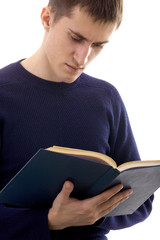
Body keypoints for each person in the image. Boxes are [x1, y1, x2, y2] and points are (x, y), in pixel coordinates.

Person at [0, 0, 154, 239]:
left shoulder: (106, 97)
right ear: (47, 19)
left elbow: (142, 203)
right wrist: (48, 221)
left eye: (98, 45)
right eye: (76, 38)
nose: (83, 58)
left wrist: (93, 212)